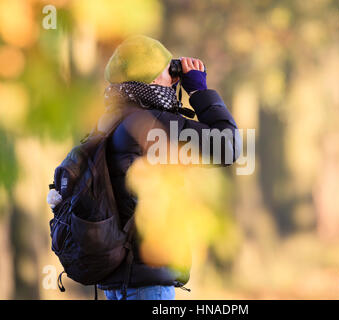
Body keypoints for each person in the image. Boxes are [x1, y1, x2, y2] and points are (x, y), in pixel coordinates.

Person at [97, 35, 240, 300]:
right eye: (168, 70)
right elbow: (227, 146)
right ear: (151, 79)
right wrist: (198, 92)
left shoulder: (110, 121)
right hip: (146, 282)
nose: (174, 78)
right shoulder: (149, 125)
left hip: (118, 281)